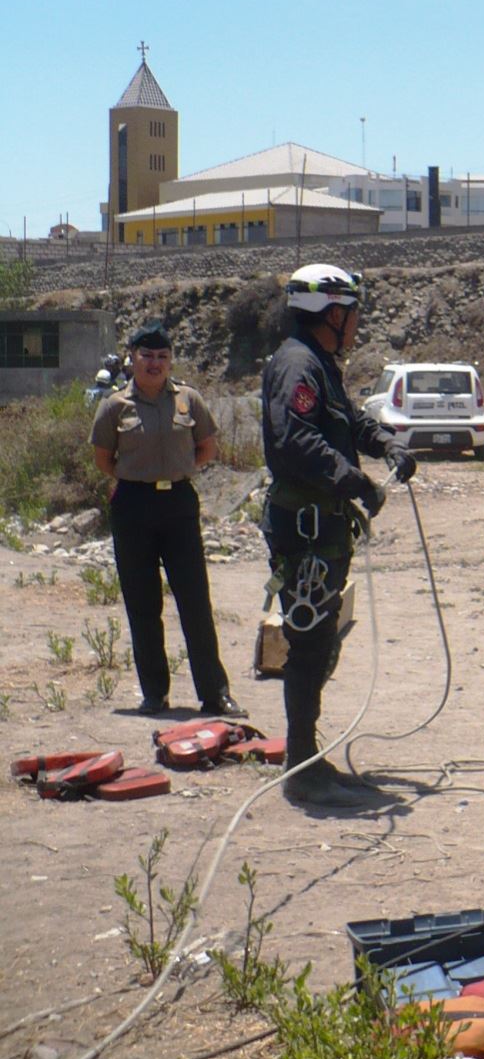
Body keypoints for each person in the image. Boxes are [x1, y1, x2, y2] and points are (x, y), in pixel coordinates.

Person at [262, 264, 417, 807]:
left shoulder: (318, 364)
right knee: (309, 646)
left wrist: (386, 445)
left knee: (320, 640)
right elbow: (295, 441)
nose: (357, 324)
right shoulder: (298, 365)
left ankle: (307, 755)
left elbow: (344, 421)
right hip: (305, 528)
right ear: (333, 314)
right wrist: (357, 482)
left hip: (320, 524)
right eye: (353, 314)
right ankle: (302, 770)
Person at [89, 323, 240, 718]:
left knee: (195, 602)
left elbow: (206, 447)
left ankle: (215, 694)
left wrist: (178, 468)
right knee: (143, 604)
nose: (155, 363)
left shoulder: (189, 399)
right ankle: (154, 694)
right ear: (132, 358)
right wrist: (133, 477)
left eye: (162, 356)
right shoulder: (114, 406)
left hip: (178, 504)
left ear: (170, 360)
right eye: (147, 355)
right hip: (133, 506)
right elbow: (104, 457)